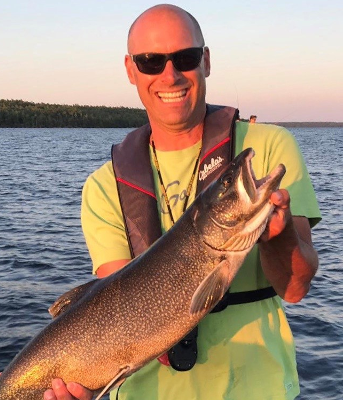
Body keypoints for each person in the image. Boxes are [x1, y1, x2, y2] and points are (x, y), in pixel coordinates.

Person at [43, 4, 321, 400]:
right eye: (151, 61)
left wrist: (278, 238)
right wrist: (80, 384)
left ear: (206, 60)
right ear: (130, 69)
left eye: (185, 58)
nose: (169, 75)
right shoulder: (104, 186)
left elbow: (295, 289)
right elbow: (117, 310)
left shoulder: (269, 146)